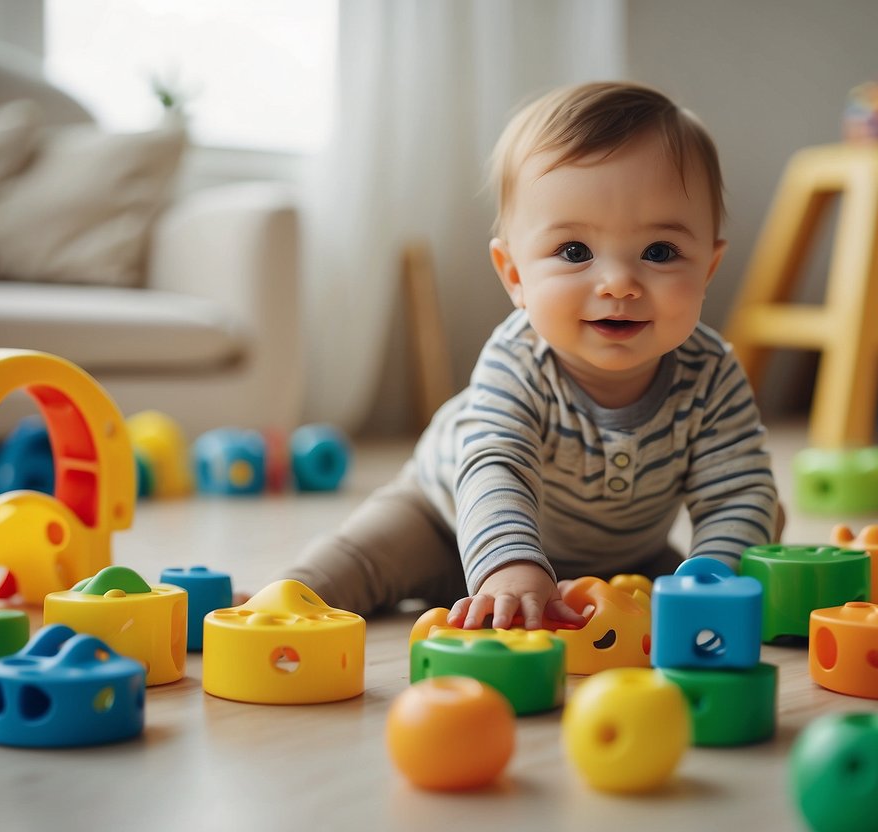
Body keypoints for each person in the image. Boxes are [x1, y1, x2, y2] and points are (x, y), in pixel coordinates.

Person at [275, 81, 780, 629]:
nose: (618, 283)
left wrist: (709, 578)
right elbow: (495, 465)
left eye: (660, 252)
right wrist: (510, 565)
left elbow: (737, 491)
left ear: (707, 267)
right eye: (574, 252)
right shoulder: (517, 361)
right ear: (515, 275)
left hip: (616, 558)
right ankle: (270, 607)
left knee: (727, 549)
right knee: (356, 560)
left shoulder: (712, 374)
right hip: (441, 520)